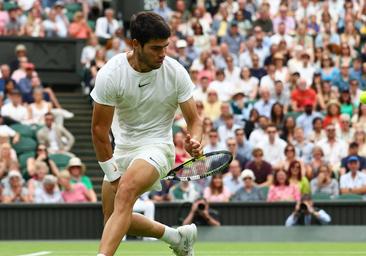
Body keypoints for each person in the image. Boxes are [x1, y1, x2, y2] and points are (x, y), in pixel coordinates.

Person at [91, 12, 202, 256]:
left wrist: (195, 141)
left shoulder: (175, 71)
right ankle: (176, 237)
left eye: (165, 47)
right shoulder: (111, 74)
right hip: (122, 149)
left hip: (158, 147)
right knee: (114, 218)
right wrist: (112, 174)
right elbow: (99, 131)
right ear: (135, 45)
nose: (162, 54)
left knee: (127, 191)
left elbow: (194, 120)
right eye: (155, 48)